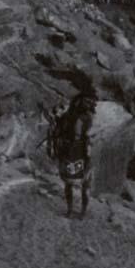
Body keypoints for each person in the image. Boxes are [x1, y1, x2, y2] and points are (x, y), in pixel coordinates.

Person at [50, 87, 97, 218]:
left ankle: (82, 211)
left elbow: (89, 134)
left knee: (84, 183)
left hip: (81, 149)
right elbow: (61, 127)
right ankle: (71, 210)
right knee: (69, 183)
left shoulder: (88, 117)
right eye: (86, 102)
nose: (88, 105)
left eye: (90, 103)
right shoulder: (71, 115)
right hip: (72, 149)